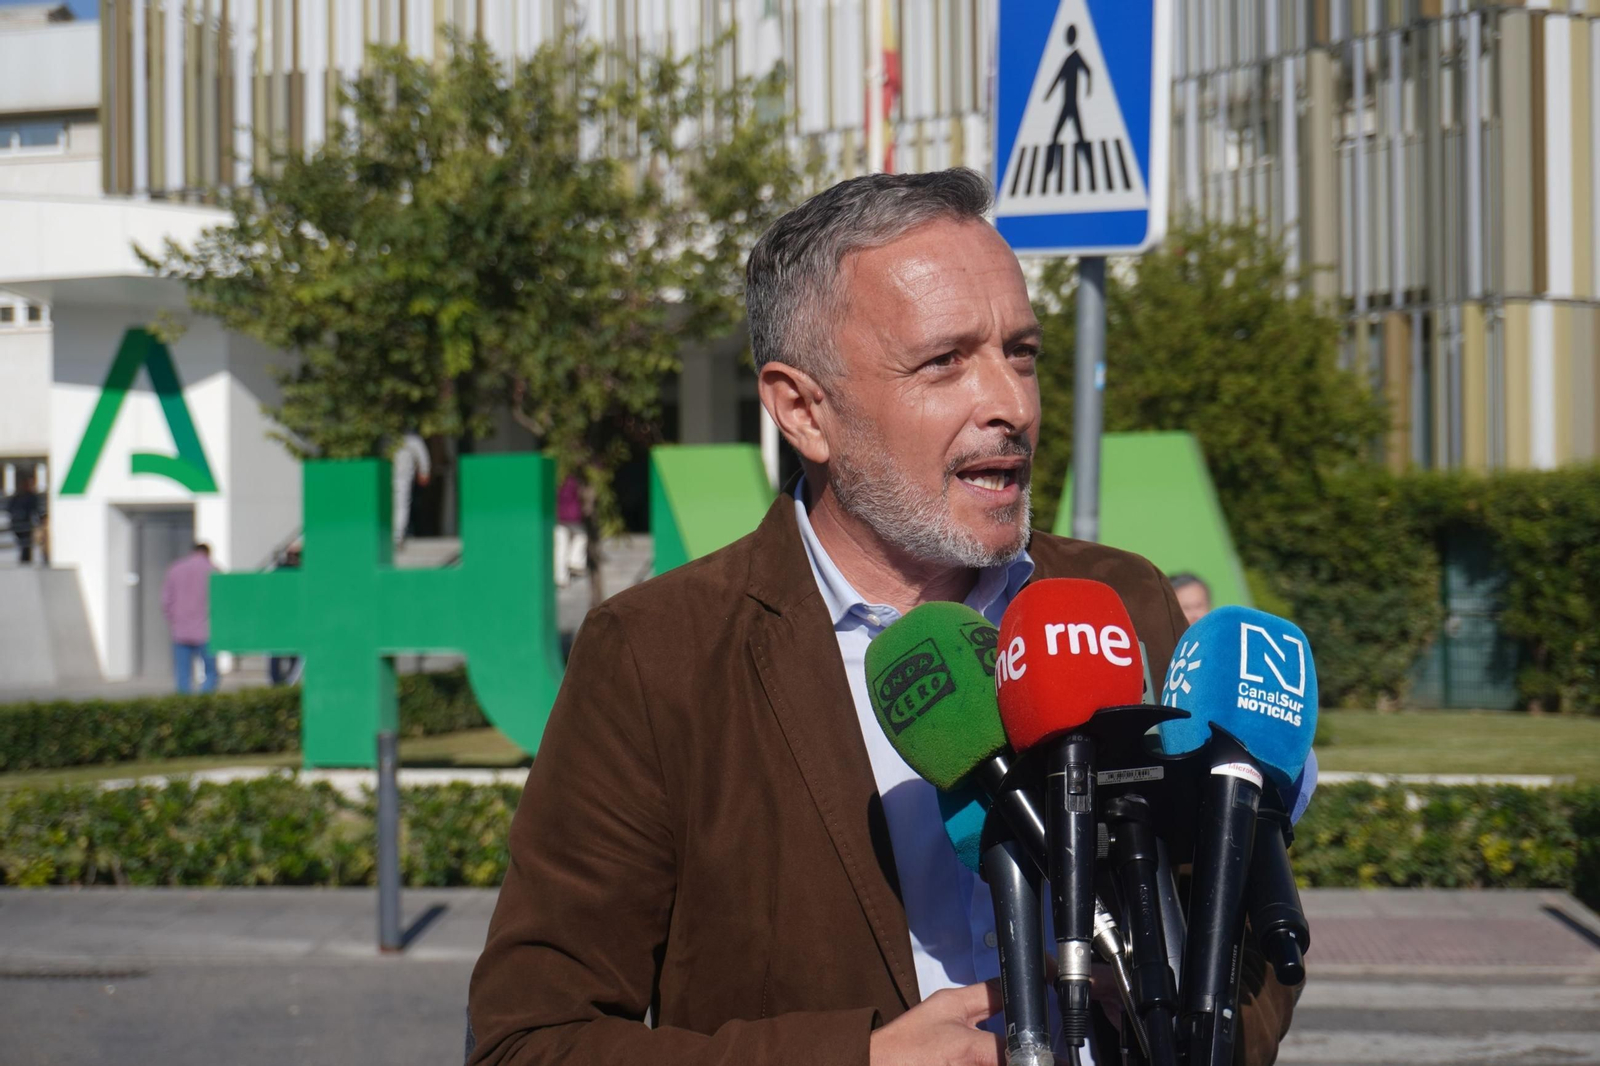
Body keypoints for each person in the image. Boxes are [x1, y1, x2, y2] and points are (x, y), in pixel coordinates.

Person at [467, 170, 1298, 1066]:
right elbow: (528, 1042)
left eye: (1021, 353)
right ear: (803, 410)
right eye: (945, 362)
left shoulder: (1120, 601)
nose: (1013, 405)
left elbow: (1249, 940)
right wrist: (859, 1060)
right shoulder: (658, 657)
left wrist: (1180, 1022)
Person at [162, 542, 218, 694]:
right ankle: (204, 699)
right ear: (207, 553)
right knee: (211, 672)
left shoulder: (176, 568)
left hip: (180, 629)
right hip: (206, 629)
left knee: (182, 673)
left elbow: (166, 601)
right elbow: (221, 601)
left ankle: (185, 703)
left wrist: (174, 619)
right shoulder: (213, 570)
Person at [392, 431, 432, 546]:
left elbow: (423, 457)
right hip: (393, 475)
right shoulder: (390, 437)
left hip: (402, 477)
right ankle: (396, 536)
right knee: (400, 506)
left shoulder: (412, 439)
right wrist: (424, 471)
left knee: (400, 505)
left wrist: (424, 471)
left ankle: (397, 536)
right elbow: (423, 458)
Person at [553, 474, 589, 589]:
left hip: (559, 518)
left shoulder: (556, 481)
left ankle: (560, 578)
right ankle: (575, 561)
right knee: (581, 536)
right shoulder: (575, 480)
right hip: (573, 517)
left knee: (560, 547)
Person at [5, 472, 41, 564]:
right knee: (24, 543)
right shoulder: (18, 497)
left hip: (26, 523)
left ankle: (26, 559)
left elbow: (35, 509)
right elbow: (10, 508)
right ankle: (25, 559)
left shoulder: (31, 497)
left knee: (26, 543)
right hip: (19, 523)